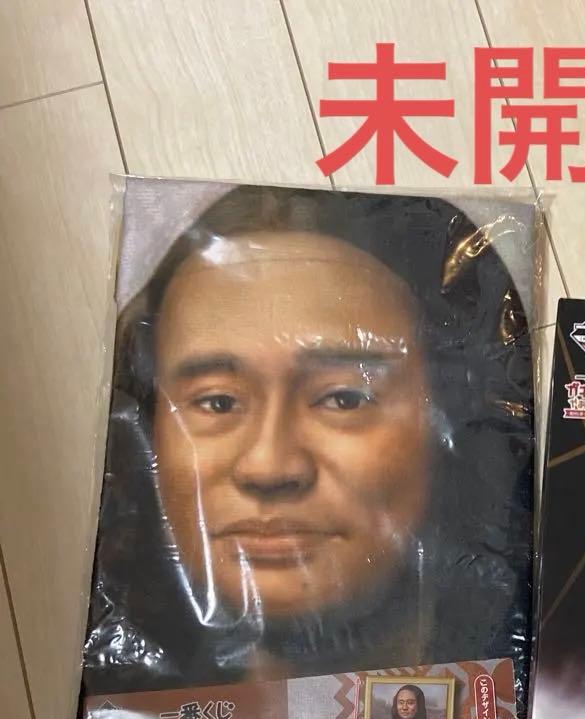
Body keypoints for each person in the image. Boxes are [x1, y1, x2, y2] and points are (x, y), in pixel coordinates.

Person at [84, 184, 534, 691]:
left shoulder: (559, 698)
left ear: (453, 421)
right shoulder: (117, 717)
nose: (268, 466)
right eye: (218, 402)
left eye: (343, 398)